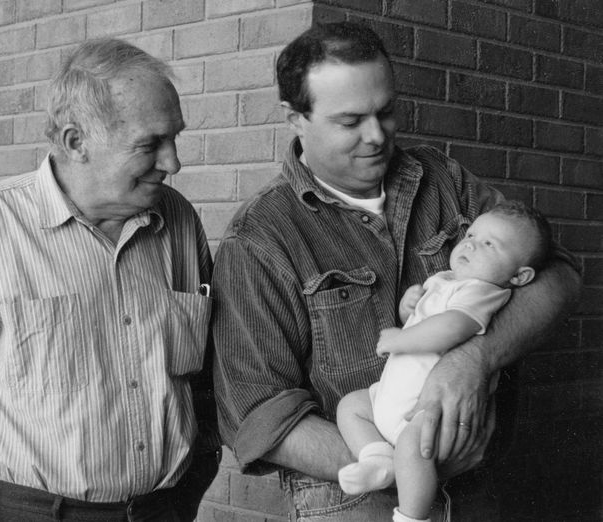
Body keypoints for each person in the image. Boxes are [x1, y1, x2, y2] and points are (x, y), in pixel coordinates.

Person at [211, 22, 580, 521]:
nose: (376, 136)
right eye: (350, 121)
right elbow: (257, 416)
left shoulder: (443, 180)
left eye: (386, 112)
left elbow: (557, 275)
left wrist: (474, 359)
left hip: (476, 486)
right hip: (352, 499)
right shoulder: (259, 238)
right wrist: (417, 459)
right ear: (295, 117)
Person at [0, 38, 220, 522]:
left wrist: (196, 475)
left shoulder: (180, 222)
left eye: (175, 139)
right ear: (75, 142)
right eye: (151, 144)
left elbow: (205, 380)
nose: (174, 163)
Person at [336, 201, 552, 522]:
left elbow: (451, 328)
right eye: (472, 233)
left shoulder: (482, 291)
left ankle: (411, 516)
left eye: (489, 244)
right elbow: (425, 318)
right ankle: (377, 458)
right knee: (352, 406)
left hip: (425, 410)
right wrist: (410, 309)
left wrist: (400, 338)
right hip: (394, 397)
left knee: (415, 450)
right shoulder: (448, 280)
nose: (470, 243)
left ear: (519, 276)